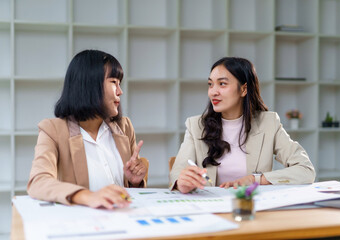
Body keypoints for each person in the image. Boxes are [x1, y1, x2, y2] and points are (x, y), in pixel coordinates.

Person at [170, 57, 315, 193]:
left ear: (244, 89)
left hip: (251, 206)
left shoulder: (269, 123)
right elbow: (177, 173)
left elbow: (306, 170)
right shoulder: (196, 125)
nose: (213, 92)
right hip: (212, 209)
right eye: (210, 84)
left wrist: (255, 179)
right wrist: (181, 182)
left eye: (222, 84)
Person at [27, 50, 148, 209]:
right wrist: (86, 196)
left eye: (120, 83)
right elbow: (38, 181)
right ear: (89, 85)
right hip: (83, 225)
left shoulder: (124, 127)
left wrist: (135, 181)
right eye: (113, 82)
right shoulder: (52, 130)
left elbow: (130, 191)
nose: (120, 91)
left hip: (124, 219)